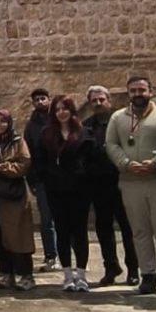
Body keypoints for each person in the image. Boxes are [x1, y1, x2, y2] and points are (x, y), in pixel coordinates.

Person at [104, 75, 156, 295]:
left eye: (142, 90)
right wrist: (125, 163)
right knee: (139, 231)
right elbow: (111, 144)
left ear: (150, 91)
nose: (138, 94)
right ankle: (147, 274)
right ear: (128, 93)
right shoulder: (118, 118)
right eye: (133, 90)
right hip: (131, 182)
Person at [37, 95, 94, 292]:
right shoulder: (47, 134)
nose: (61, 113)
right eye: (57, 109)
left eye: (65, 109)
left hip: (79, 189)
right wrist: (48, 177)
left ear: (72, 111)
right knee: (62, 231)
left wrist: (82, 175)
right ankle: (68, 275)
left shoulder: (83, 132)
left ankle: (82, 275)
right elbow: (40, 161)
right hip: (56, 189)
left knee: (80, 232)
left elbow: (90, 159)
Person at [0, 110, 36, 290]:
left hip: (13, 196)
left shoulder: (17, 142)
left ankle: (26, 274)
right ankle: (7, 272)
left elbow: (24, 164)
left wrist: (2, 168)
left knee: (18, 235)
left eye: (3, 121)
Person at [81, 86, 129, 285]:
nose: (98, 103)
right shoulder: (86, 126)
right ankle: (111, 267)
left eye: (102, 99)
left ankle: (134, 268)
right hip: (98, 184)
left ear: (109, 101)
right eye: (94, 101)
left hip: (122, 181)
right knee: (103, 228)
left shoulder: (122, 122)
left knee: (127, 227)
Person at [22, 88, 57, 266]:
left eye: (43, 98)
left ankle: (74, 256)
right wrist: (31, 181)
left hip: (62, 176)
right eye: (37, 100)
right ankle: (51, 255)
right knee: (46, 219)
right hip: (42, 178)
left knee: (67, 217)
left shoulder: (58, 119)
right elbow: (29, 155)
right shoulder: (31, 127)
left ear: (49, 99)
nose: (40, 102)